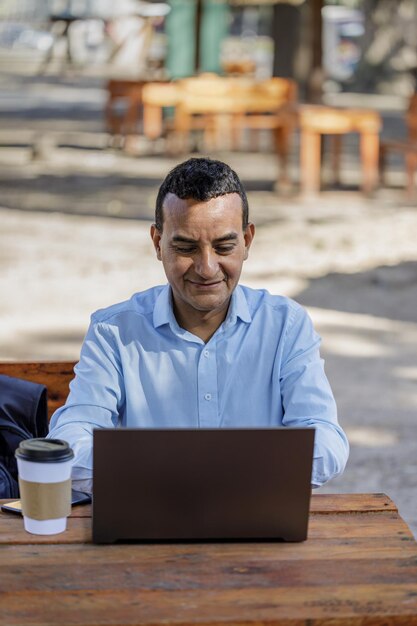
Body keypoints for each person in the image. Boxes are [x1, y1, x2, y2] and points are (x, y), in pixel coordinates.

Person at [48, 157, 349, 494]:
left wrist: (170, 475)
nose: (206, 268)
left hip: (254, 528)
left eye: (223, 246)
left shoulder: (285, 326)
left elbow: (326, 440)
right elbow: (70, 442)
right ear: (157, 243)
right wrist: (220, 475)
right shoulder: (114, 332)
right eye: (186, 247)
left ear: (247, 241)